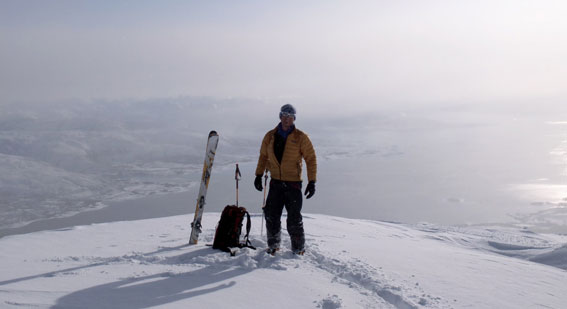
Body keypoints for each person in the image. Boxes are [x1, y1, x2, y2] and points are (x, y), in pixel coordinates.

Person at [254, 104, 317, 255]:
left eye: (290, 116)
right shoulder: (270, 136)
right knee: (271, 215)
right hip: (275, 182)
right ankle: (273, 245)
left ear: (294, 118)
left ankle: (298, 248)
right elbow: (263, 156)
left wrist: (312, 181)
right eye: (284, 115)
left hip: (293, 184)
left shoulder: (301, 137)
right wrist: (258, 175)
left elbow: (311, 159)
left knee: (294, 218)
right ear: (280, 116)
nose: (286, 119)